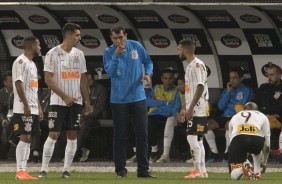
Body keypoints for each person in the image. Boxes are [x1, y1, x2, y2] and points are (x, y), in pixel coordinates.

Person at [38, 23, 91, 179]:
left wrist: (87, 100)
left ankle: (66, 169)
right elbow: (48, 80)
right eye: (77, 35)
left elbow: (83, 78)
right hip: (57, 102)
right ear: (68, 35)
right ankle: (43, 169)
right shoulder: (52, 54)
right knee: (53, 134)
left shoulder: (79, 54)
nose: (79, 38)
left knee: (72, 134)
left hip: (76, 102)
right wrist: (64, 96)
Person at [103, 25, 155, 178]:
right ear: (111, 39)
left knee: (142, 135)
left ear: (125, 35)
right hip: (119, 100)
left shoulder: (136, 46)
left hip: (138, 97)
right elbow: (111, 73)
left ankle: (143, 170)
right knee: (120, 136)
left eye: (121, 37)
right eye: (115, 38)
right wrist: (117, 56)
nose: (118, 41)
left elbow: (148, 62)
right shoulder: (108, 52)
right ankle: (120, 170)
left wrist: (149, 74)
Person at [205, 68, 253, 163]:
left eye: (235, 78)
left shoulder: (246, 90)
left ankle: (227, 154)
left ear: (241, 79)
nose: (231, 80)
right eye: (230, 78)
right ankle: (214, 154)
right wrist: (228, 92)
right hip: (224, 116)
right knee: (206, 125)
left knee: (229, 125)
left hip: (238, 117)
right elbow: (220, 107)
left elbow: (242, 106)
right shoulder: (227, 90)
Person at [177, 38, 209, 179]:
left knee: (191, 137)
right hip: (197, 107)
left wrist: (190, 109)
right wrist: (185, 108)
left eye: (179, 49)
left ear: (185, 50)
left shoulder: (196, 65)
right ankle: (202, 171)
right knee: (199, 139)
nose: (178, 53)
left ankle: (196, 170)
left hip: (198, 108)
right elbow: (190, 91)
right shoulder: (190, 65)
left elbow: (200, 87)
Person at [12, 36, 43, 180]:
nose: (40, 47)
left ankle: (23, 170)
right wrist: (25, 104)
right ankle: (20, 171)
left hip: (33, 107)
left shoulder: (33, 64)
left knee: (29, 138)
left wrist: (38, 106)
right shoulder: (20, 62)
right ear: (31, 46)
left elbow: (33, 88)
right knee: (24, 136)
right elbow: (18, 84)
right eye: (38, 45)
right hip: (23, 107)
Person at [146, 69, 181, 163]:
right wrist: (164, 102)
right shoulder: (157, 88)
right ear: (162, 79)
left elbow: (172, 108)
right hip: (153, 114)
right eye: (165, 78)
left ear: (174, 79)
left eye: (170, 78)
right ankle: (154, 149)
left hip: (167, 116)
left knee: (156, 122)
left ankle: (157, 153)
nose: (168, 81)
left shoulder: (177, 90)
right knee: (145, 122)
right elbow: (147, 101)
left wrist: (157, 103)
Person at [229, 102, 270, 180]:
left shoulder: (235, 116)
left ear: (243, 109)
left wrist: (241, 159)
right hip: (256, 140)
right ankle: (257, 172)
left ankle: (243, 169)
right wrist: (264, 162)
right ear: (257, 110)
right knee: (257, 151)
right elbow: (267, 144)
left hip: (238, 139)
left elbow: (231, 141)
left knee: (234, 176)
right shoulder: (262, 116)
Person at [76, 72, 107, 162]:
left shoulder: (101, 89)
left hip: (96, 118)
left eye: (82, 76)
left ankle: (75, 153)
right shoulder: (80, 89)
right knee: (72, 124)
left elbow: (100, 109)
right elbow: (79, 106)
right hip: (82, 117)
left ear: (89, 76)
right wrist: (81, 116)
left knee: (85, 124)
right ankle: (81, 149)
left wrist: (85, 116)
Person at [253, 65, 282, 160]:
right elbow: (255, 103)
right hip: (262, 117)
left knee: (269, 123)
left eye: (272, 75)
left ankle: (273, 154)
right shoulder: (263, 87)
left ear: (279, 75)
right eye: (268, 75)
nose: (269, 77)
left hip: (278, 118)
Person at [0, 71, 14, 159]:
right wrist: (3, 119)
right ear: (5, 83)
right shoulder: (0, 93)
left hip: (16, 118)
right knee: (5, 125)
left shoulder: (19, 91)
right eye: (11, 81)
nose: (13, 83)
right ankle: (3, 153)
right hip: (4, 117)